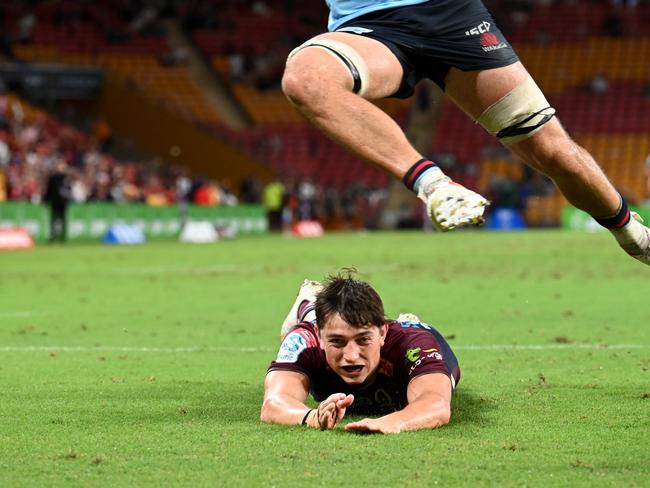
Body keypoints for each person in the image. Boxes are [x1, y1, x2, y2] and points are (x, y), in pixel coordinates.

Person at [281, 0, 650, 265]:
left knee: (556, 154)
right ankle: (435, 185)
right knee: (306, 78)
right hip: (368, 30)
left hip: (454, 16)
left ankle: (635, 236)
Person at [261, 273, 460, 433]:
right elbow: (273, 404)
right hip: (319, 332)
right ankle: (309, 307)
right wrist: (312, 417)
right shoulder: (304, 342)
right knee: (315, 325)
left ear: (382, 333)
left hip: (410, 338)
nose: (351, 356)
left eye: (363, 340)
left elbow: (436, 405)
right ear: (320, 337)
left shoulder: (411, 344)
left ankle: (401, 322)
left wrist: (393, 422)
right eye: (337, 342)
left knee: (407, 334)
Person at [43, 160, 70, 243]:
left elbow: (68, 190)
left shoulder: (66, 178)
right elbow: (49, 190)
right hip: (55, 202)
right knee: (54, 219)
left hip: (62, 203)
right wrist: (46, 200)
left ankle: (62, 236)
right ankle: (53, 236)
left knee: (61, 219)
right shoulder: (53, 178)